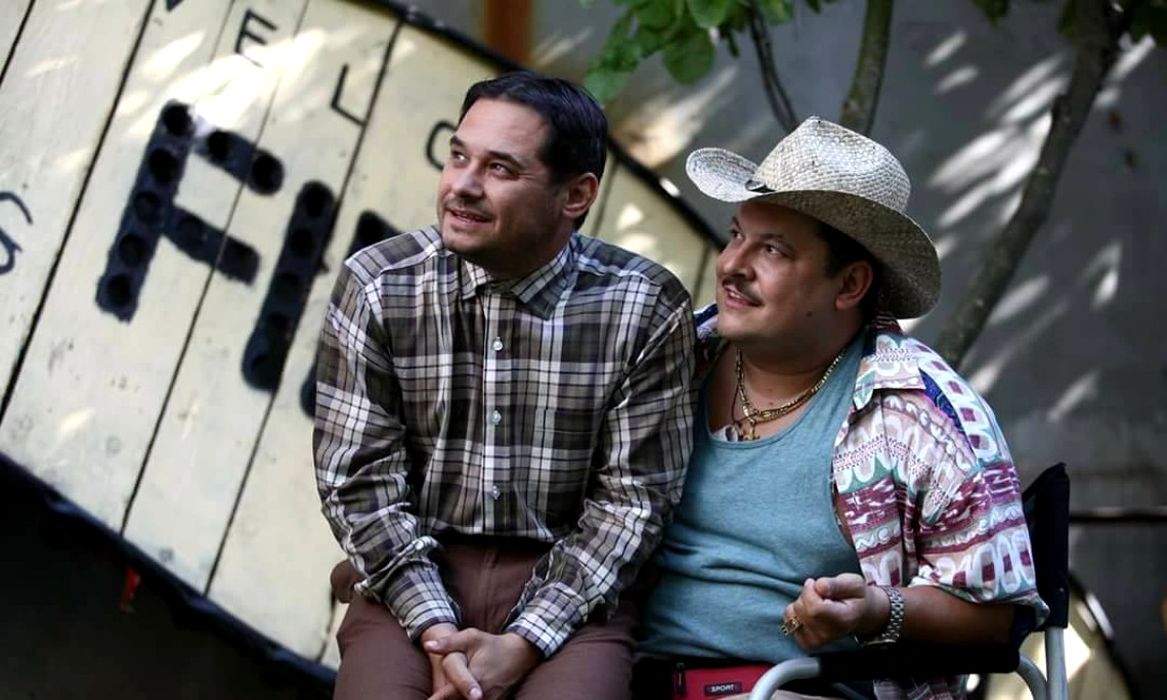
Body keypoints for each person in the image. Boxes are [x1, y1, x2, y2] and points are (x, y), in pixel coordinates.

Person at [631, 117, 1049, 700]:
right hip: (624, 676)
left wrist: (878, 609)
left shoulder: (918, 409)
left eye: (772, 249)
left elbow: (999, 619)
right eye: (735, 235)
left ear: (850, 284)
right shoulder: (676, 360)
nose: (731, 265)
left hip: (796, 690)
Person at [313, 71, 696, 700]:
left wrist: (525, 642)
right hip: (413, 567)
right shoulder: (380, 284)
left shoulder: (644, 307)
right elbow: (359, 482)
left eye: (500, 168)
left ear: (576, 195)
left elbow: (633, 504)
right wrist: (435, 629)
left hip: (573, 587)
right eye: (458, 156)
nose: (462, 186)